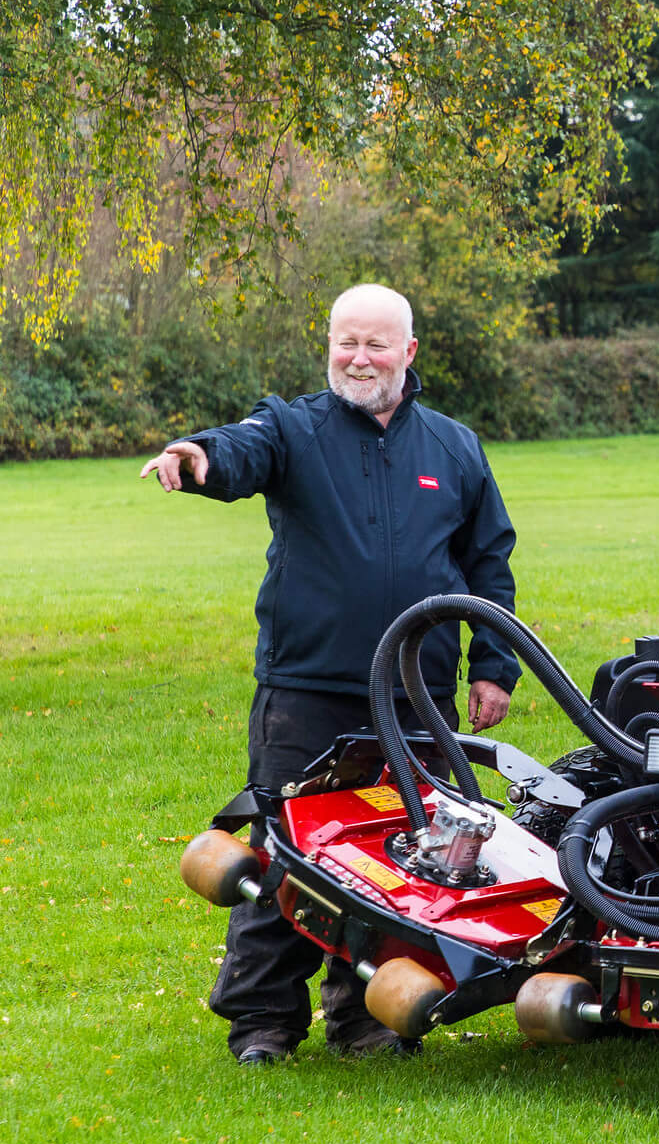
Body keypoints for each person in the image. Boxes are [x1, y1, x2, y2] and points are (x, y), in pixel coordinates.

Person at [141, 283, 521, 1065]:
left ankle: (368, 1017)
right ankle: (263, 1022)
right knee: (287, 849)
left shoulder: (454, 447)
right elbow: (240, 448)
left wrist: (494, 667)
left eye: (375, 343)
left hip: (415, 697)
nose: (359, 358)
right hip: (306, 689)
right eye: (346, 342)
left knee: (406, 856)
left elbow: (487, 565)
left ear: (408, 351)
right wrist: (198, 455)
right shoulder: (293, 427)